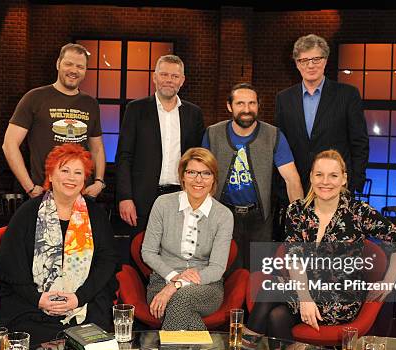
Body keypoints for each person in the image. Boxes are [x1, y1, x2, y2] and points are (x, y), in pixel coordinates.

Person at [233, 149, 396, 350]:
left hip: (340, 296)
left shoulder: (358, 212)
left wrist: (388, 281)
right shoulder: (297, 212)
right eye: (320, 175)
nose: (326, 181)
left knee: (271, 299)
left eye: (333, 175)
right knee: (275, 311)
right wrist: (304, 297)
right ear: (311, 178)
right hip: (305, 288)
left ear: (344, 179)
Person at [0, 144, 118, 346]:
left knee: (91, 338)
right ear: (50, 175)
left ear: (84, 179)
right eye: (65, 170)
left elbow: (107, 261)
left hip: (83, 302)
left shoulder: (95, 214)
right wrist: (38, 299)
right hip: (33, 304)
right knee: (37, 338)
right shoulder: (28, 212)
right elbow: (12, 266)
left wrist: (79, 297)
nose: (71, 178)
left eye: (78, 172)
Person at [141, 147, 233, 350]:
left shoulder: (223, 215)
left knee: (181, 299)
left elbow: (217, 268)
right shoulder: (163, 204)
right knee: (182, 307)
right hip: (160, 281)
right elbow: (148, 252)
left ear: (214, 178)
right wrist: (172, 278)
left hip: (206, 286)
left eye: (205, 173)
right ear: (182, 175)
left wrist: (176, 285)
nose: (198, 180)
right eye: (192, 172)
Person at [203, 83, 303, 268]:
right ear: (229, 106)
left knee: (259, 275)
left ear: (258, 105)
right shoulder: (212, 133)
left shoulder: (273, 135)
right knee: (225, 274)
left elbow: (292, 179)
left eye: (252, 103)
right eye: (240, 103)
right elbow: (202, 177)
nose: (247, 109)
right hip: (223, 215)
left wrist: (300, 219)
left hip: (260, 218)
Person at [3, 43, 107, 199]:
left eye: (80, 66)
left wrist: (99, 182)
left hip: (81, 195)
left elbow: (97, 148)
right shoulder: (34, 98)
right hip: (45, 194)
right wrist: (29, 187)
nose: (74, 70)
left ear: (85, 70)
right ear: (58, 64)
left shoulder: (90, 103)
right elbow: (9, 144)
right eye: (68, 64)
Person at [116, 55, 205, 234]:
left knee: (178, 254)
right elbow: (124, 156)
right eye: (164, 75)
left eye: (174, 76)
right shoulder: (135, 109)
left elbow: (198, 159)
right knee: (140, 252)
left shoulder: (194, 114)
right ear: (155, 77)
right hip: (142, 198)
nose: (169, 80)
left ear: (182, 80)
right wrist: (125, 197)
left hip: (181, 196)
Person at [275, 34, 368, 195]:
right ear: (297, 64)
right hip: (297, 187)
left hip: (336, 186)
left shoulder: (348, 95)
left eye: (316, 59)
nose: (310, 65)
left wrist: (353, 183)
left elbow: (359, 142)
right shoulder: (284, 98)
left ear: (325, 61)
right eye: (304, 60)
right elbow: (280, 145)